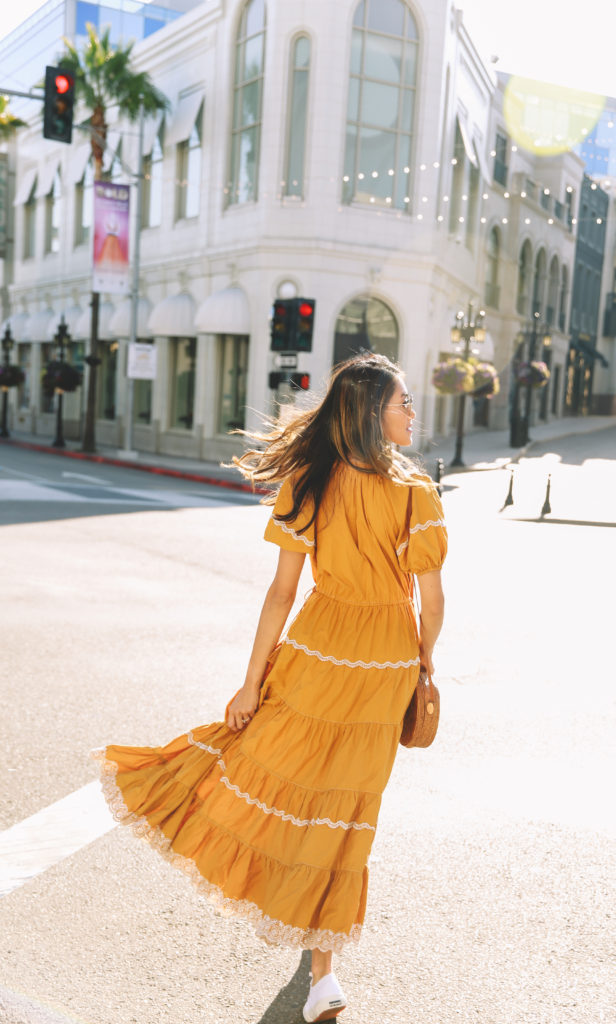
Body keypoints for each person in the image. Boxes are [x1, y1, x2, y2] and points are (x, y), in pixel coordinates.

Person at [94, 353, 447, 1023]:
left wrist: (249, 683)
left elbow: (281, 592)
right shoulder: (415, 493)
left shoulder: (309, 483)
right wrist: (423, 663)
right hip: (382, 670)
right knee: (348, 813)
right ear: (374, 413)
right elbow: (431, 601)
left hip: (314, 655)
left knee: (264, 771)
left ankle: (309, 940)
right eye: (403, 402)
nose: (411, 413)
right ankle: (323, 975)